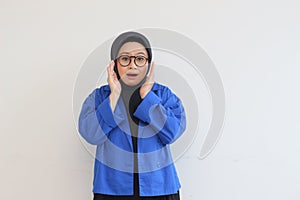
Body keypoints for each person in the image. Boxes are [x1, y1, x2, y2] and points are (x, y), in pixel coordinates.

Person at [78, 31, 186, 200]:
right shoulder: (99, 97)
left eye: (140, 58)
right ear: (114, 63)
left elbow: (172, 132)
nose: (132, 65)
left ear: (148, 64)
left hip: (159, 189)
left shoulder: (162, 95)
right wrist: (113, 97)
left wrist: (148, 98)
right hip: (112, 190)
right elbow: (91, 135)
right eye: (125, 59)